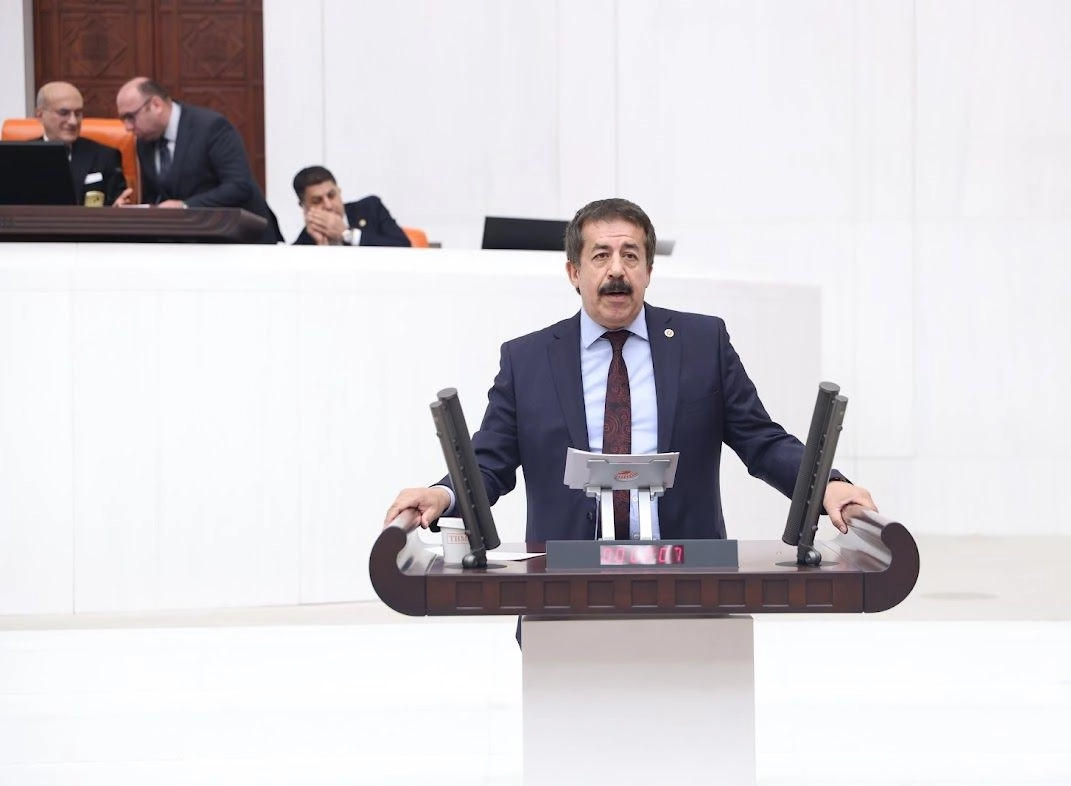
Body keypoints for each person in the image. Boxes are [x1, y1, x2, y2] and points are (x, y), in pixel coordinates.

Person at [384, 198, 876, 542]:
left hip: (688, 582)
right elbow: (489, 463)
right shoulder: (527, 359)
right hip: (562, 587)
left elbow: (762, 441)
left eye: (631, 256)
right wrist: (442, 493)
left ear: (648, 271)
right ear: (574, 273)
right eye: (600, 256)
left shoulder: (703, 344)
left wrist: (827, 485)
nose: (616, 270)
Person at [115, 77, 283, 244]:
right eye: (123, 120)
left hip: (238, 239)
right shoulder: (144, 141)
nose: (128, 127)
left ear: (156, 105)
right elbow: (156, 196)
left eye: (131, 117)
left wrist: (185, 206)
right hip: (186, 242)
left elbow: (239, 186)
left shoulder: (211, 127)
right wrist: (133, 211)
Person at [34, 81, 130, 206]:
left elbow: (118, 201)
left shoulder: (106, 156)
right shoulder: (20, 157)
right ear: (40, 115)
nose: (73, 122)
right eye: (64, 113)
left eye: (78, 113)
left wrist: (118, 208)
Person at [290, 166, 411, 247]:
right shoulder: (302, 244)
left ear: (339, 192)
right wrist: (321, 249)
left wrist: (347, 234)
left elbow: (403, 247)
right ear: (304, 207)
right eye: (317, 201)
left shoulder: (370, 208)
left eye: (331, 195)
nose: (328, 205)